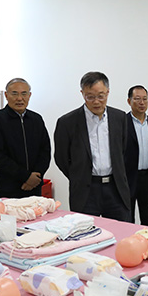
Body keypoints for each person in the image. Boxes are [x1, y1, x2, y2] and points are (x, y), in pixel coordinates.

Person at [54, 72, 131, 222]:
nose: (96, 101)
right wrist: (79, 175)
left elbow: (123, 150)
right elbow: (61, 158)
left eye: (101, 96)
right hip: (85, 191)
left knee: (121, 230)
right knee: (85, 231)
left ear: (107, 92)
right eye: (90, 97)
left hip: (116, 188)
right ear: (82, 94)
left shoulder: (119, 117)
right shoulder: (67, 122)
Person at [0, 78, 51, 198]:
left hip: (35, 186)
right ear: (6, 95)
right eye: (14, 94)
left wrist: (37, 175)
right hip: (8, 187)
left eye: (24, 93)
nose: (20, 98)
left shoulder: (36, 119)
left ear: (29, 95)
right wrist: (26, 177)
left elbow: (45, 151)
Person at [124, 85, 148, 226]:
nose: (142, 103)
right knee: (128, 218)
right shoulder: (122, 122)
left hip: (147, 178)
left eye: (145, 99)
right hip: (128, 178)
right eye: (137, 99)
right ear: (129, 101)